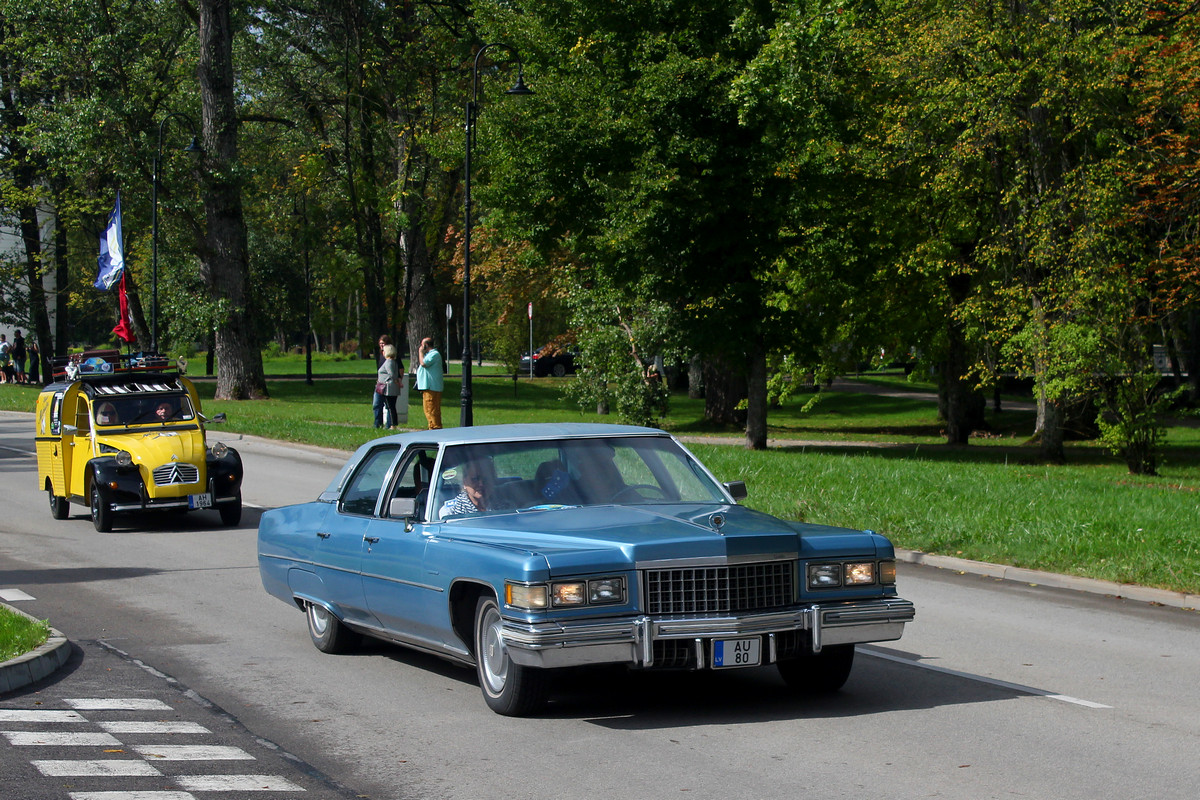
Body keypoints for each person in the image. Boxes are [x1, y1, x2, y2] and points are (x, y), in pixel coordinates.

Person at [376, 344, 406, 429]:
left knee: (390, 407)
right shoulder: (393, 361)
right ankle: (393, 424)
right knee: (391, 407)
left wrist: (396, 381)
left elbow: (392, 374)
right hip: (391, 387)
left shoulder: (388, 362)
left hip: (388, 387)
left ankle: (393, 424)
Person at [416, 336, 444, 430]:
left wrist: (420, 352)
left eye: (422, 345)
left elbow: (423, 363)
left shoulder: (434, 354)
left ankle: (435, 428)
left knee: (431, 409)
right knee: (429, 409)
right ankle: (433, 426)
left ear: (426, 345)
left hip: (432, 387)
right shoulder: (430, 354)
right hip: (428, 386)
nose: (420, 346)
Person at [372, 334, 392, 429]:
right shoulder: (381, 354)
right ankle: (377, 424)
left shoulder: (392, 355)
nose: (381, 345)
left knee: (389, 406)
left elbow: (399, 369)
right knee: (377, 404)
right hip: (380, 384)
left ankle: (388, 425)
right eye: (380, 344)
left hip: (388, 384)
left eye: (383, 343)